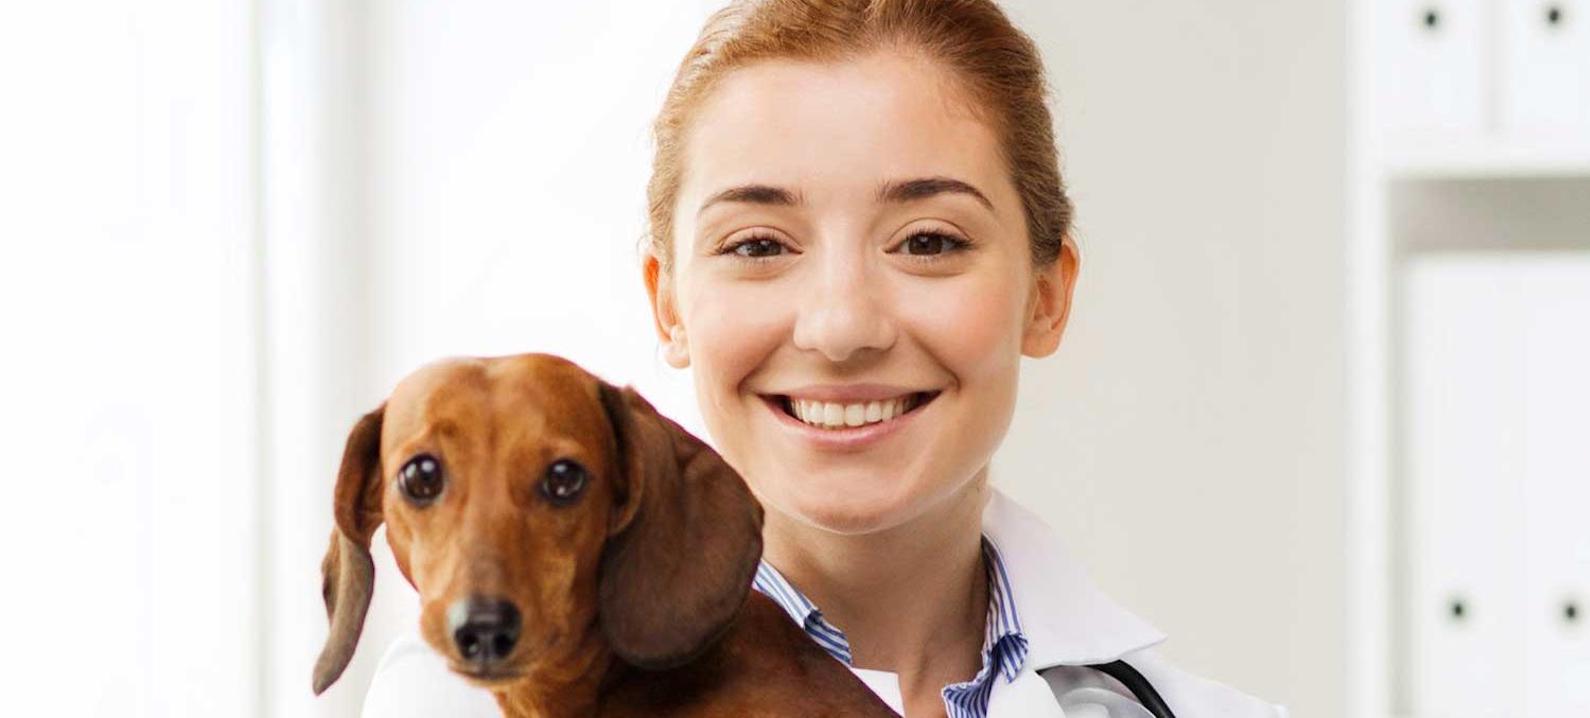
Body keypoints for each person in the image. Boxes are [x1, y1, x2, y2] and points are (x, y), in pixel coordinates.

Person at [359, 1, 1283, 715]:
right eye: (759, 245)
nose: (841, 327)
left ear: (1046, 295)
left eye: (926, 240)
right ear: (668, 303)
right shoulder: (454, 699)